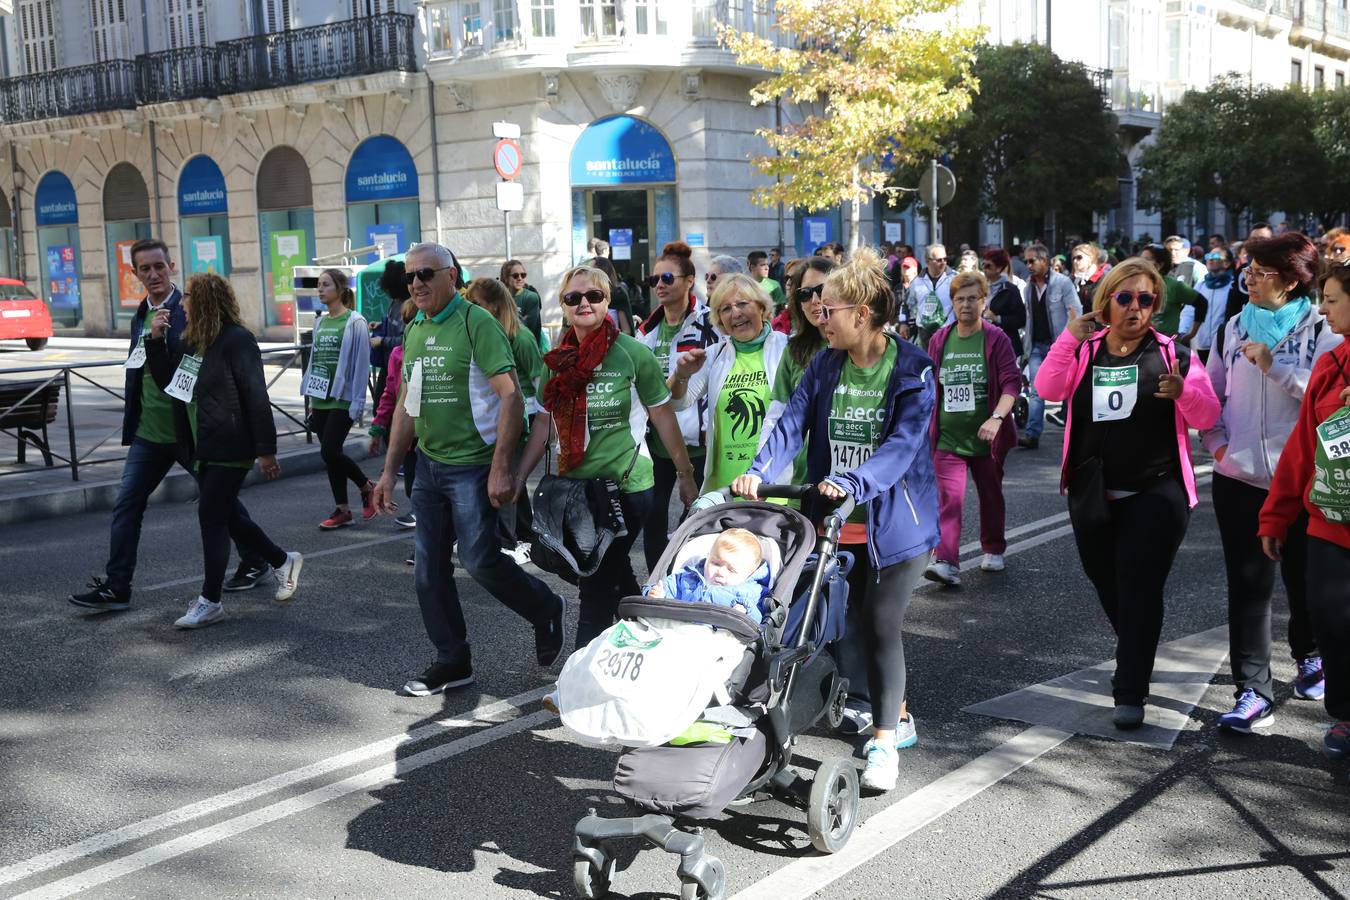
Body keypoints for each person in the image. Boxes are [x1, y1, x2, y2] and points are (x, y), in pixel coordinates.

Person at [732, 249, 938, 793]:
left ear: (863, 313)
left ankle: (888, 739)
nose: (818, 319)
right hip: (833, 519)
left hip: (895, 526)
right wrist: (758, 471)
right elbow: (791, 424)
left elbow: (901, 446)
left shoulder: (914, 368)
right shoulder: (824, 363)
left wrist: (853, 482)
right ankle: (874, 709)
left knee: (879, 624)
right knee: (835, 621)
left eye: (829, 310)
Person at [370, 242, 567, 697]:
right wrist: (387, 473)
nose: (417, 282)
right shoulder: (416, 328)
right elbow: (407, 405)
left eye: (426, 274)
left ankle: (545, 608)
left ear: (452, 275)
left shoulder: (477, 323)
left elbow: (512, 396)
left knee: (479, 561)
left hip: (473, 468)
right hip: (430, 468)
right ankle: (452, 661)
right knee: (428, 571)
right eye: (411, 276)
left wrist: (503, 468)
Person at [1034, 258, 1220, 730]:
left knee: (1138, 588)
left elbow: (1207, 415)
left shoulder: (1173, 352)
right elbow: (1046, 387)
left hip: (1157, 492)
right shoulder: (1085, 349)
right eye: (1125, 297)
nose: (1135, 307)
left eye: (1145, 299)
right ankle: (1137, 647)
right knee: (1108, 583)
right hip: (1092, 490)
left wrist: (1184, 393)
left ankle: (1130, 687)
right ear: (1107, 300)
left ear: (1155, 304)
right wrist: (1069, 336)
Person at [69, 238, 270, 612]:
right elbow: (140, 369)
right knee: (127, 504)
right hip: (150, 430)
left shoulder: (191, 308)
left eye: (159, 266)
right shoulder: (141, 313)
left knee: (220, 504)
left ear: (171, 266)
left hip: (189, 430)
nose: (153, 274)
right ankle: (117, 586)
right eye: (144, 269)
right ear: (134, 274)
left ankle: (258, 558)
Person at [515, 264, 699, 646]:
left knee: (595, 584)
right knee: (616, 577)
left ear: (607, 301)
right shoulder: (556, 363)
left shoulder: (632, 354)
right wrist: (517, 478)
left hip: (627, 488)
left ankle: (576, 681)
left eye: (593, 296)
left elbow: (663, 418)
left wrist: (685, 476)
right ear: (564, 306)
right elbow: (543, 427)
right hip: (576, 492)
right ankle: (653, 638)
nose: (584, 303)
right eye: (573, 298)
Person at [1205, 233, 1340, 732]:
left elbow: (1325, 397)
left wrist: (1275, 366)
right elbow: (1209, 393)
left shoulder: (1323, 328)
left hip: (1303, 480)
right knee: (1248, 587)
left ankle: (1309, 655)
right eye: (1248, 271)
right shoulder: (1232, 327)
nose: (1250, 281)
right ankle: (1251, 691)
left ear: (1289, 279)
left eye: (1260, 273)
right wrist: (1219, 447)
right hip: (1239, 480)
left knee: (1307, 583)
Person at [144, 273, 303, 628]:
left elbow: (256, 397)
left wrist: (267, 449)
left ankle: (210, 601)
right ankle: (281, 560)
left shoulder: (237, 340)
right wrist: (155, 342)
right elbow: (173, 384)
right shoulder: (192, 341)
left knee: (212, 516)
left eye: (186, 297)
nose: (181, 303)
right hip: (200, 444)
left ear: (202, 301)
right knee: (229, 515)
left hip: (231, 442)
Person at [1258, 262, 1350, 761]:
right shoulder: (1330, 366)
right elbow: (1302, 448)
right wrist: (1276, 515)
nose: (1324, 309)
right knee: (1330, 619)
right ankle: (1345, 716)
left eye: (1333, 299)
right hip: (1329, 525)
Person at [925, 271, 1021, 585]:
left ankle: (993, 548)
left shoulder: (996, 338)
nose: (965, 305)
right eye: (959, 299)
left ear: (983, 301)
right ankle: (947, 562)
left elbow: (1011, 383)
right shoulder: (940, 339)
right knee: (948, 500)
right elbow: (927, 384)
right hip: (948, 438)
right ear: (952, 302)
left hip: (987, 438)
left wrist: (996, 418)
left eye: (972, 299)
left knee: (990, 494)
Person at [637, 241, 721, 571]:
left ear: (689, 280)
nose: (659, 285)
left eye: (667, 278)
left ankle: (696, 585)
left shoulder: (710, 326)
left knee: (700, 521)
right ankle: (656, 582)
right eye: (654, 280)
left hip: (700, 444)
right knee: (652, 517)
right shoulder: (646, 330)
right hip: (656, 443)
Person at [669, 274, 786, 492]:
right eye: (725, 309)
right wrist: (681, 374)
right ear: (720, 320)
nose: (736, 313)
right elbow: (677, 403)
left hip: (775, 488)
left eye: (743, 303)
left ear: (761, 307)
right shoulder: (714, 355)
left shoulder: (787, 349)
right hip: (723, 489)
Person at [466, 277, 545, 563]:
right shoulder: (482, 334)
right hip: (498, 415)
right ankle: (527, 536)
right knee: (513, 482)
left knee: (508, 477)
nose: (470, 309)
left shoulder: (520, 337)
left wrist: (544, 422)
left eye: (477, 304)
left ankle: (508, 542)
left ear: (496, 306)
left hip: (524, 414)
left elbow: (539, 380)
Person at [303, 268, 376, 530]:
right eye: (318, 285)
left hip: (343, 398)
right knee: (330, 456)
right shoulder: (320, 322)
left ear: (340, 289)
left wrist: (358, 402)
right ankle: (343, 510)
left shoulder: (355, 322)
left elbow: (360, 365)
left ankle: (366, 486)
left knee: (330, 450)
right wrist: (310, 397)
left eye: (325, 285)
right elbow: (315, 361)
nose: (320, 289)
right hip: (321, 397)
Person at [767, 256, 835, 490]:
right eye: (805, 294)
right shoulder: (794, 350)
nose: (815, 300)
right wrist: (763, 473)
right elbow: (776, 417)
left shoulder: (859, 347)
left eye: (821, 290)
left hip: (854, 484)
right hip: (805, 480)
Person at [1019, 241, 1082, 449]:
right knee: (1036, 389)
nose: (1028, 265)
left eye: (1032, 261)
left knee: (1069, 390)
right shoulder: (1028, 287)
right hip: (1038, 344)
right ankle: (1032, 434)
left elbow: (1076, 312)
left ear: (1045, 261)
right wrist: (1026, 348)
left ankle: (1074, 433)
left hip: (1061, 346)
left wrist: (1069, 341)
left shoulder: (1062, 283)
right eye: (1026, 261)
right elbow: (1029, 319)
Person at [368, 298, 420, 537]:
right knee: (412, 485)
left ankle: (429, 543)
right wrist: (377, 428)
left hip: (433, 436)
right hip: (407, 435)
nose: (408, 328)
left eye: (415, 321)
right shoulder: (398, 355)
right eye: (406, 322)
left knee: (430, 491)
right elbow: (390, 394)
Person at [646, 527, 767, 624]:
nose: (720, 572)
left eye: (732, 570)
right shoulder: (688, 578)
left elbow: (761, 618)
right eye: (715, 563)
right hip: (677, 629)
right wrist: (656, 594)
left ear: (749, 575)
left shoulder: (751, 592)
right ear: (707, 558)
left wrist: (746, 612)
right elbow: (663, 587)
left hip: (721, 640)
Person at [1141, 244, 1205, 342]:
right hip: (1139, 345)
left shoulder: (1174, 286)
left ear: (1159, 264)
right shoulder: (1135, 285)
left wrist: (1192, 333)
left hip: (1166, 348)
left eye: (1146, 259)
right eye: (1141, 259)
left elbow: (1202, 303)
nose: (1140, 262)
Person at [368, 258, 409, 406]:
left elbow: (406, 339)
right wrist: (381, 325)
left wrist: (382, 341)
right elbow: (393, 323)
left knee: (389, 408)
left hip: (400, 366)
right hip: (388, 364)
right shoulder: (395, 302)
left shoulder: (409, 306)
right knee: (379, 405)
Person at [1192, 248, 1235, 365]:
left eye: (1215, 257)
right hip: (1202, 344)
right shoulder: (1201, 284)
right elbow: (1189, 310)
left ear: (1226, 263)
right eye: (1208, 256)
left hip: (1224, 344)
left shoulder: (1233, 285)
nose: (1210, 259)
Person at [908, 243, 954, 346]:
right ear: (927, 261)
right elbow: (909, 304)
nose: (943, 263)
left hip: (948, 331)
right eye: (938, 260)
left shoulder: (955, 279)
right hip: (924, 333)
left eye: (945, 259)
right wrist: (904, 323)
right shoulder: (916, 282)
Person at [981, 248, 1026, 352]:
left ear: (999, 268)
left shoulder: (1011, 290)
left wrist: (997, 318)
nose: (984, 269)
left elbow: (1021, 320)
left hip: (1007, 345)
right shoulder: (981, 287)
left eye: (988, 266)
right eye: (983, 265)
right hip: (986, 343)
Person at [500, 259, 542, 345]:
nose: (520, 278)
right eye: (515, 275)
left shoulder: (531, 297)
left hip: (526, 346)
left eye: (523, 275)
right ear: (506, 278)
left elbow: (527, 328)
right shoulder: (500, 298)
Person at [1070, 242, 1108, 309]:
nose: (1075, 261)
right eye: (1073, 258)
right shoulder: (1072, 279)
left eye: (1079, 257)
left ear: (1091, 258)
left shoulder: (1101, 279)